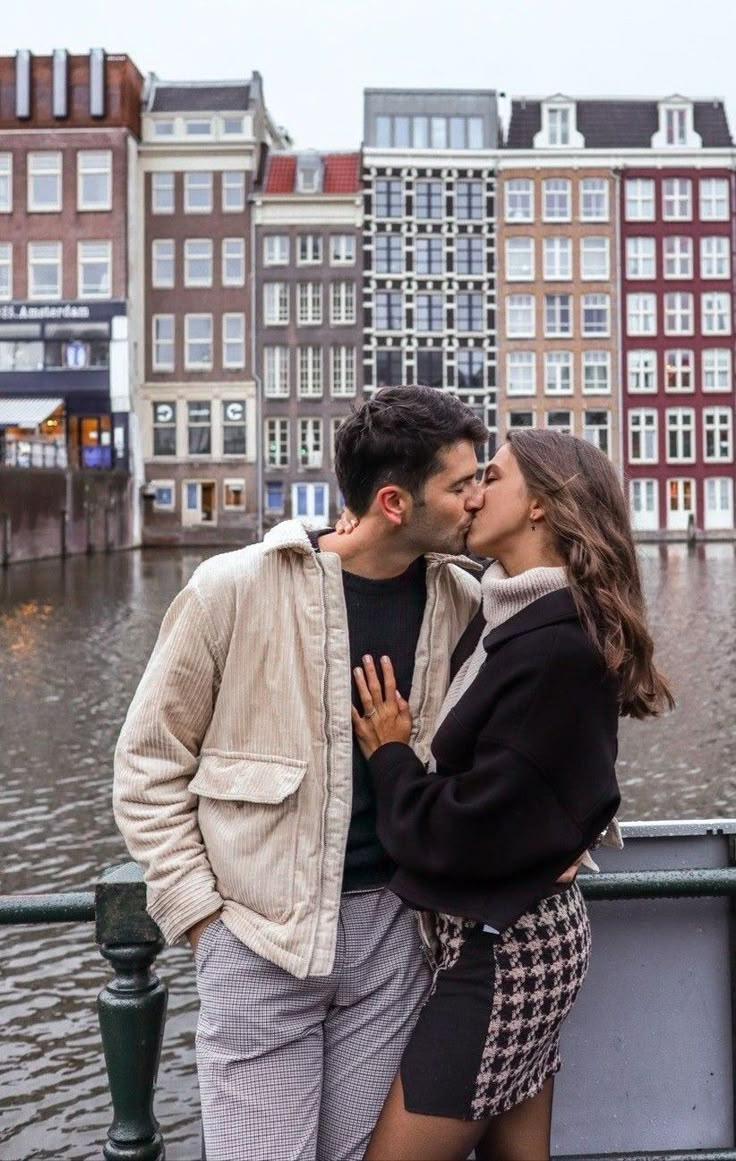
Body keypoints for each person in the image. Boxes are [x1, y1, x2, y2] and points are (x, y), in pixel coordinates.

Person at [112, 385, 489, 1161]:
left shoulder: (464, 600)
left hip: (392, 939)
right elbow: (148, 761)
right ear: (394, 501)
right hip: (258, 937)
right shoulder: (234, 588)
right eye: (461, 484)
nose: (477, 499)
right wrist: (203, 921)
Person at [350, 429, 674, 1161]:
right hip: (509, 930)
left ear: (540, 507)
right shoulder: (509, 616)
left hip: (506, 951)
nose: (474, 492)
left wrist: (392, 756)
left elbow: (466, 829)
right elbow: (549, 790)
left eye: (491, 477)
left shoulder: (555, 646)